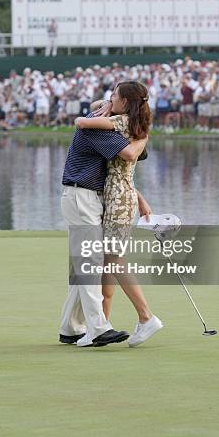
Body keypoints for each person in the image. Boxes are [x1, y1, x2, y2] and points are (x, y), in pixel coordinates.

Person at [74, 81, 162, 348]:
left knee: (113, 262)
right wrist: (106, 104)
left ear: (125, 102)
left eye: (114, 94)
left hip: (117, 202)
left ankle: (146, 317)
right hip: (119, 196)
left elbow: (83, 122)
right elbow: (96, 105)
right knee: (108, 265)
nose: (109, 98)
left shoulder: (122, 122)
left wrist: (82, 116)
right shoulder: (128, 118)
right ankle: (99, 327)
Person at [59, 89, 147, 348]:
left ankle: (70, 327)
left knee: (84, 262)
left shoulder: (104, 123)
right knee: (90, 261)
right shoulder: (98, 129)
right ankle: (97, 327)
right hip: (81, 195)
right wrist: (146, 135)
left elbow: (125, 166)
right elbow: (132, 153)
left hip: (87, 196)